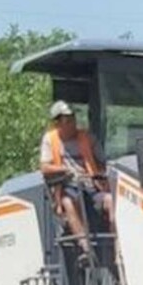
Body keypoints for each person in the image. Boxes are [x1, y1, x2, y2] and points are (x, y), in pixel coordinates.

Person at [39, 100, 108, 246]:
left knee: (110, 200)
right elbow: (44, 167)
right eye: (67, 121)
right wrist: (65, 170)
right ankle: (86, 248)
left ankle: (117, 250)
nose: (72, 124)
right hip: (68, 186)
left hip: (91, 186)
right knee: (68, 202)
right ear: (57, 123)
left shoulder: (88, 137)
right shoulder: (50, 140)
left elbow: (104, 162)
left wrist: (99, 175)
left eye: (73, 119)